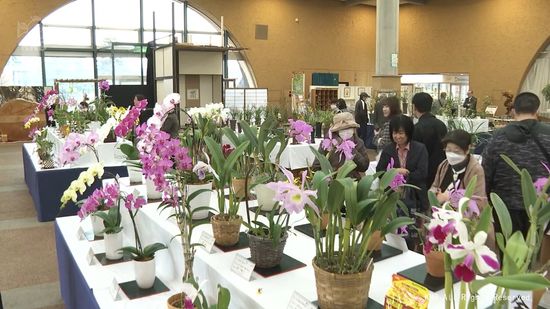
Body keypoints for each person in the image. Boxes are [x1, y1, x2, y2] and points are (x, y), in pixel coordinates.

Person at [483, 92, 550, 236]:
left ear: (514, 110)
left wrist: (488, 198)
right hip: (541, 205)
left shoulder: (498, 136)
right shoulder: (548, 134)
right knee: (536, 249)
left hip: (504, 206)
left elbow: (486, 171)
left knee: (508, 251)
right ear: (536, 110)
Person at [377, 115, 428, 249]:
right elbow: (380, 171)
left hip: (414, 197)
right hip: (392, 198)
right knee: (393, 233)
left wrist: (406, 174)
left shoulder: (420, 149)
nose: (397, 136)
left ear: (408, 132)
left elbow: (423, 173)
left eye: (401, 133)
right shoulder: (388, 149)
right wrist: (394, 173)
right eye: (395, 133)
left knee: (412, 234)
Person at [431, 130, 486, 205]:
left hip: (462, 215)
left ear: (467, 149)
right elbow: (434, 187)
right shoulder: (444, 165)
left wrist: (450, 198)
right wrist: (435, 197)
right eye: (448, 150)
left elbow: (478, 201)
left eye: (456, 151)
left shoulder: (475, 170)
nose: (452, 155)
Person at [312, 112, 370, 179]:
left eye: (349, 128)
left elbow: (364, 167)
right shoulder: (327, 143)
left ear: (354, 129)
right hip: (332, 183)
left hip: (352, 183)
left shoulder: (358, 142)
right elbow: (316, 167)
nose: (347, 131)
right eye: (343, 129)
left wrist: (351, 150)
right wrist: (331, 174)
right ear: (336, 131)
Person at [412, 92, 448, 187]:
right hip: (441, 170)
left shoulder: (417, 128)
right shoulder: (441, 125)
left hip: (423, 173)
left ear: (414, 107)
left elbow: (415, 154)